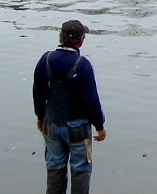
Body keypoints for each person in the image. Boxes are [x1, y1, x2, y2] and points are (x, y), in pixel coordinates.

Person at [33, 20, 107, 194]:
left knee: (54, 166)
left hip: (51, 124)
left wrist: (40, 116)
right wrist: (100, 126)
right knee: (81, 169)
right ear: (81, 40)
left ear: (61, 36)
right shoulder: (83, 64)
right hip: (78, 128)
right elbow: (91, 100)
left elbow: (38, 92)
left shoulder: (46, 59)